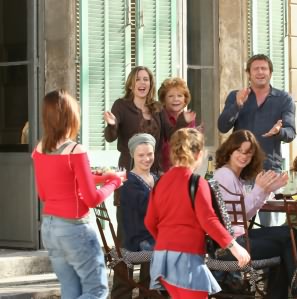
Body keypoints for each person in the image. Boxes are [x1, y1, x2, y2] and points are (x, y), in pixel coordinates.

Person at [103, 66, 194, 298]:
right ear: (131, 84)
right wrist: (112, 124)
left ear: (150, 84)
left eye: (146, 79)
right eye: (138, 79)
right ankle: (121, 292)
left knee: (153, 232)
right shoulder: (121, 106)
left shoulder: (157, 109)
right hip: (129, 179)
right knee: (127, 237)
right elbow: (111, 137)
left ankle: (148, 292)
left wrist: (182, 121)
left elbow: (170, 135)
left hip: (154, 179)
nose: (142, 83)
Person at [32, 89, 122, 299]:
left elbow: (46, 192)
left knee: (71, 291)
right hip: (74, 229)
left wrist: (104, 178)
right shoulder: (75, 150)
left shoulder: (39, 150)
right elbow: (91, 199)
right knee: (96, 291)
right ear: (70, 116)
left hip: (50, 229)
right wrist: (114, 183)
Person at [145, 128, 250, 299]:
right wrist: (234, 246)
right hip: (187, 258)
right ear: (200, 154)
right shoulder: (196, 182)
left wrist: (167, 241)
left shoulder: (160, 182)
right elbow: (209, 220)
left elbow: (150, 221)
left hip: (162, 257)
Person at [213, 129, 297, 299]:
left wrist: (267, 190)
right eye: (239, 151)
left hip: (239, 238)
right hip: (230, 245)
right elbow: (241, 213)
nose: (244, 156)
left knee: (291, 233)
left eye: (249, 152)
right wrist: (259, 189)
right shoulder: (224, 175)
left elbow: (246, 214)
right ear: (229, 150)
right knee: (287, 242)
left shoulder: (234, 176)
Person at [217, 54, 296, 226]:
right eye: (256, 69)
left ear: (270, 73)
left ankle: (272, 253)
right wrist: (237, 105)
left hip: (269, 171)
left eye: (264, 68)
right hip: (241, 171)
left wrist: (278, 131)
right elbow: (222, 126)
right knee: (240, 224)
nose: (260, 72)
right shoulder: (235, 96)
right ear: (248, 73)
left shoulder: (284, 99)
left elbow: (291, 133)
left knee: (271, 225)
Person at [119, 133, 158, 296]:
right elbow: (148, 208)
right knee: (174, 252)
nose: (146, 159)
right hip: (138, 239)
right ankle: (156, 292)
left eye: (150, 154)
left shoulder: (155, 178)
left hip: (152, 234)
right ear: (133, 155)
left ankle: (155, 292)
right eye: (141, 155)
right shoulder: (129, 182)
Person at [157, 77, 196, 172]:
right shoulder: (159, 116)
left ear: (185, 99)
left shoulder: (189, 117)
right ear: (163, 99)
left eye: (180, 96)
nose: (176, 99)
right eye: (170, 96)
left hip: (185, 168)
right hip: (162, 169)